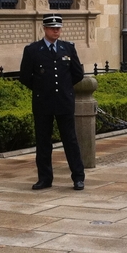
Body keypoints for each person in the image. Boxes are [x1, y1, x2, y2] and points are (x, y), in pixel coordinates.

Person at [19, 13, 85, 191]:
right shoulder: (32, 50)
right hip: (43, 102)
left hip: (64, 101)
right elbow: (25, 76)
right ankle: (45, 178)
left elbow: (78, 73)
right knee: (43, 142)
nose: (56, 31)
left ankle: (78, 177)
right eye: (52, 28)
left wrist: (64, 87)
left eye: (58, 28)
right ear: (45, 29)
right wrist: (42, 88)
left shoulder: (68, 48)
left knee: (70, 140)